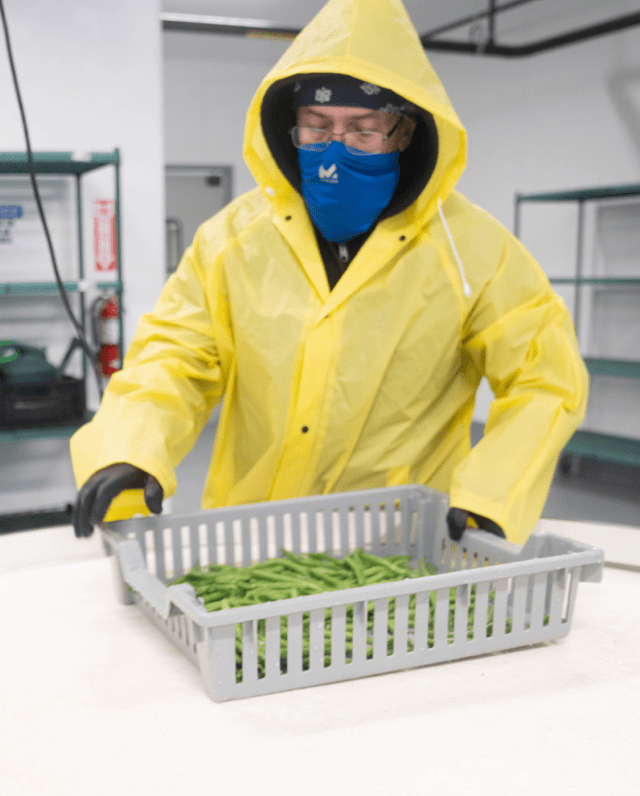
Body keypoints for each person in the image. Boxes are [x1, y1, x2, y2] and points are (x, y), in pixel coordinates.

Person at [71, 0, 588, 546]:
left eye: (364, 130)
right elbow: (174, 357)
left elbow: (543, 379)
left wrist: (493, 494)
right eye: (316, 128)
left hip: (399, 548)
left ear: (405, 132)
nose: (333, 154)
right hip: (253, 544)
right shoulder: (233, 240)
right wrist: (128, 448)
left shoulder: (474, 251)